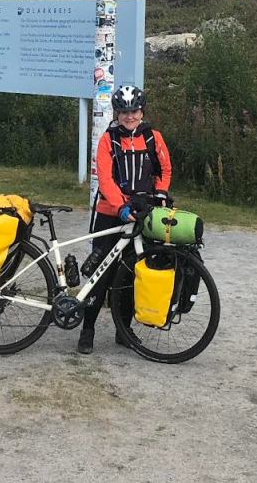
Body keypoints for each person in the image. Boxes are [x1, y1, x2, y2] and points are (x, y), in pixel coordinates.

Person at [77, 84, 172, 355]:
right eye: (124, 112)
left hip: (141, 215)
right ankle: (87, 330)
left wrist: (161, 194)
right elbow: (105, 178)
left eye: (135, 111)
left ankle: (124, 330)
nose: (130, 116)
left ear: (142, 112)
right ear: (116, 114)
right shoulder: (108, 140)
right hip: (110, 215)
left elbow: (165, 169)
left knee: (131, 274)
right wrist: (120, 206)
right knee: (101, 275)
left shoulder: (153, 137)